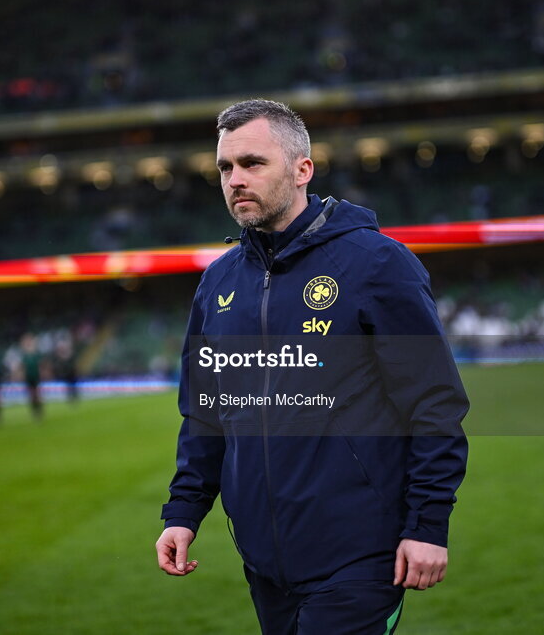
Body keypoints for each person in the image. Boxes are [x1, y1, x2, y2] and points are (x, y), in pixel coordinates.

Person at [155, 99, 469, 634]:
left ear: (303, 169)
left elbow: (433, 402)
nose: (235, 180)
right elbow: (206, 412)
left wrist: (427, 525)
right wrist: (184, 511)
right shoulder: (219, 282)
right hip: (263, 559)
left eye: (253, 163)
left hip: (360, 552)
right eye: (225, 168)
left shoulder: (376, 263)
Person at [19, 332, 44, 420]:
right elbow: (22, 367)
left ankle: (39, 410)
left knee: (37, 394)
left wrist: (41, 373)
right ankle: (35, 411)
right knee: (32, 395)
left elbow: (41, 365)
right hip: (28, 377)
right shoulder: (23, 354)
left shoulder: (36, 353)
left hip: (35, 376)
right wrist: (22, 375)